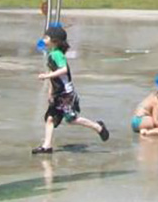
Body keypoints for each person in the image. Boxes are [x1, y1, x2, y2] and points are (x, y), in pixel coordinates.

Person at [32, 25, 109, 153]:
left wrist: (46, 76)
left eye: (46, 37)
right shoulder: (51, 54)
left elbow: (63, 70)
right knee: (50, 118)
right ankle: (47, 146)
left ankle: (98, 127)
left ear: (54, 41)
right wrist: (50, 92)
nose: (43, 39)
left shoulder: (57, 54)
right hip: (58, 93)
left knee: (71, 119)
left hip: (66, 94)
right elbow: (54, 75)